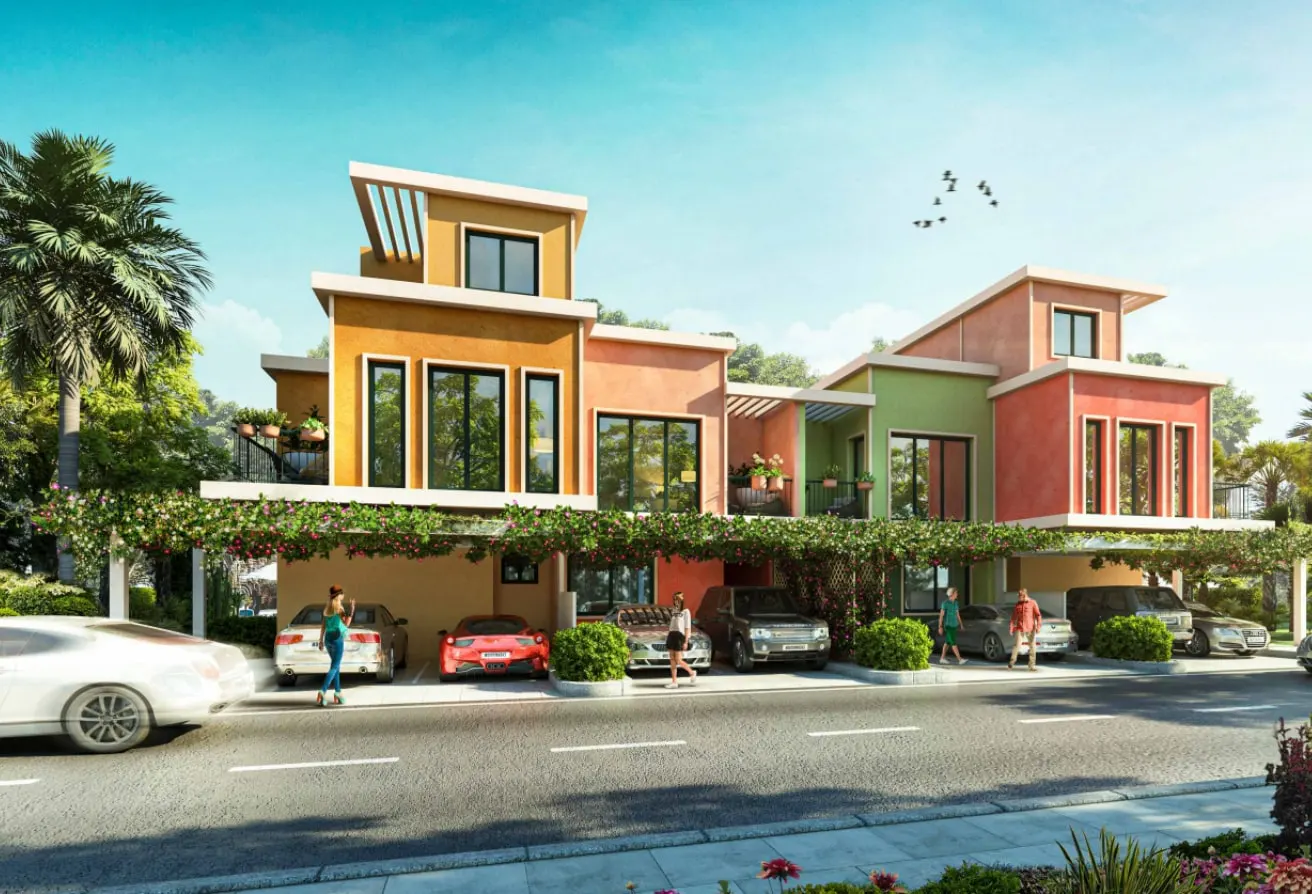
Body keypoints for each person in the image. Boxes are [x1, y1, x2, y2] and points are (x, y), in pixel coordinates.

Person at [317, 585, 355, 705]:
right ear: (338, 596)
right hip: (337, 638)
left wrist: (321, 640)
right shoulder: (339, 608)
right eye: (342, 593)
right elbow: (346, 624)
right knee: (334, 667)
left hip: (328, 638)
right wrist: (352, 610)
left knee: (336, 666)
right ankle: (322, 691)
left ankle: (338, 692)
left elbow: (323, 625)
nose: (343, 595)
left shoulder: (327, 608)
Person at [665, 591, 697, 689]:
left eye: (677, 599)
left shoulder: (686, 611)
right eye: (674, 599)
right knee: (672, 660)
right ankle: (674, 681)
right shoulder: (673, 611)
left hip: (680, 636)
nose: (675, 601)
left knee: (678, 660)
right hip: (671, 635)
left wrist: (686, 641)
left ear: (682, 600)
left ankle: (692, 672)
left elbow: (687, 627)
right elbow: (671, 625)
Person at [1009, 588, 1043, 671]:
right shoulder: (1018, 605)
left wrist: (1038, 627)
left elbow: (1038, 615)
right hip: (1020, 628)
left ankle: (1031, 666)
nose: (1018, 597)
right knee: (1017, 645)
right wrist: (1011, 628)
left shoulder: (1032, 603)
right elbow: (1013, 617)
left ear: (1024, 595)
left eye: (1020, 596)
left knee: (1032, 646)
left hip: (1030, 628)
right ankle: (1011, 662)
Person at [938, 587, 966, 665]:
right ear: (952, 594)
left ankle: (942, 658)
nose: (957, 594)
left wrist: (961, 624)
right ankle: (960, 659)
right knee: (953, 642)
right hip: (948, 625)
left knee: (947, 642)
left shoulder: (956, 603)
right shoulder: (945, 603)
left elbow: (958, 615)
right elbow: (941, 616)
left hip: (954, 625)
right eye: (956, 593)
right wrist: (940, 626)